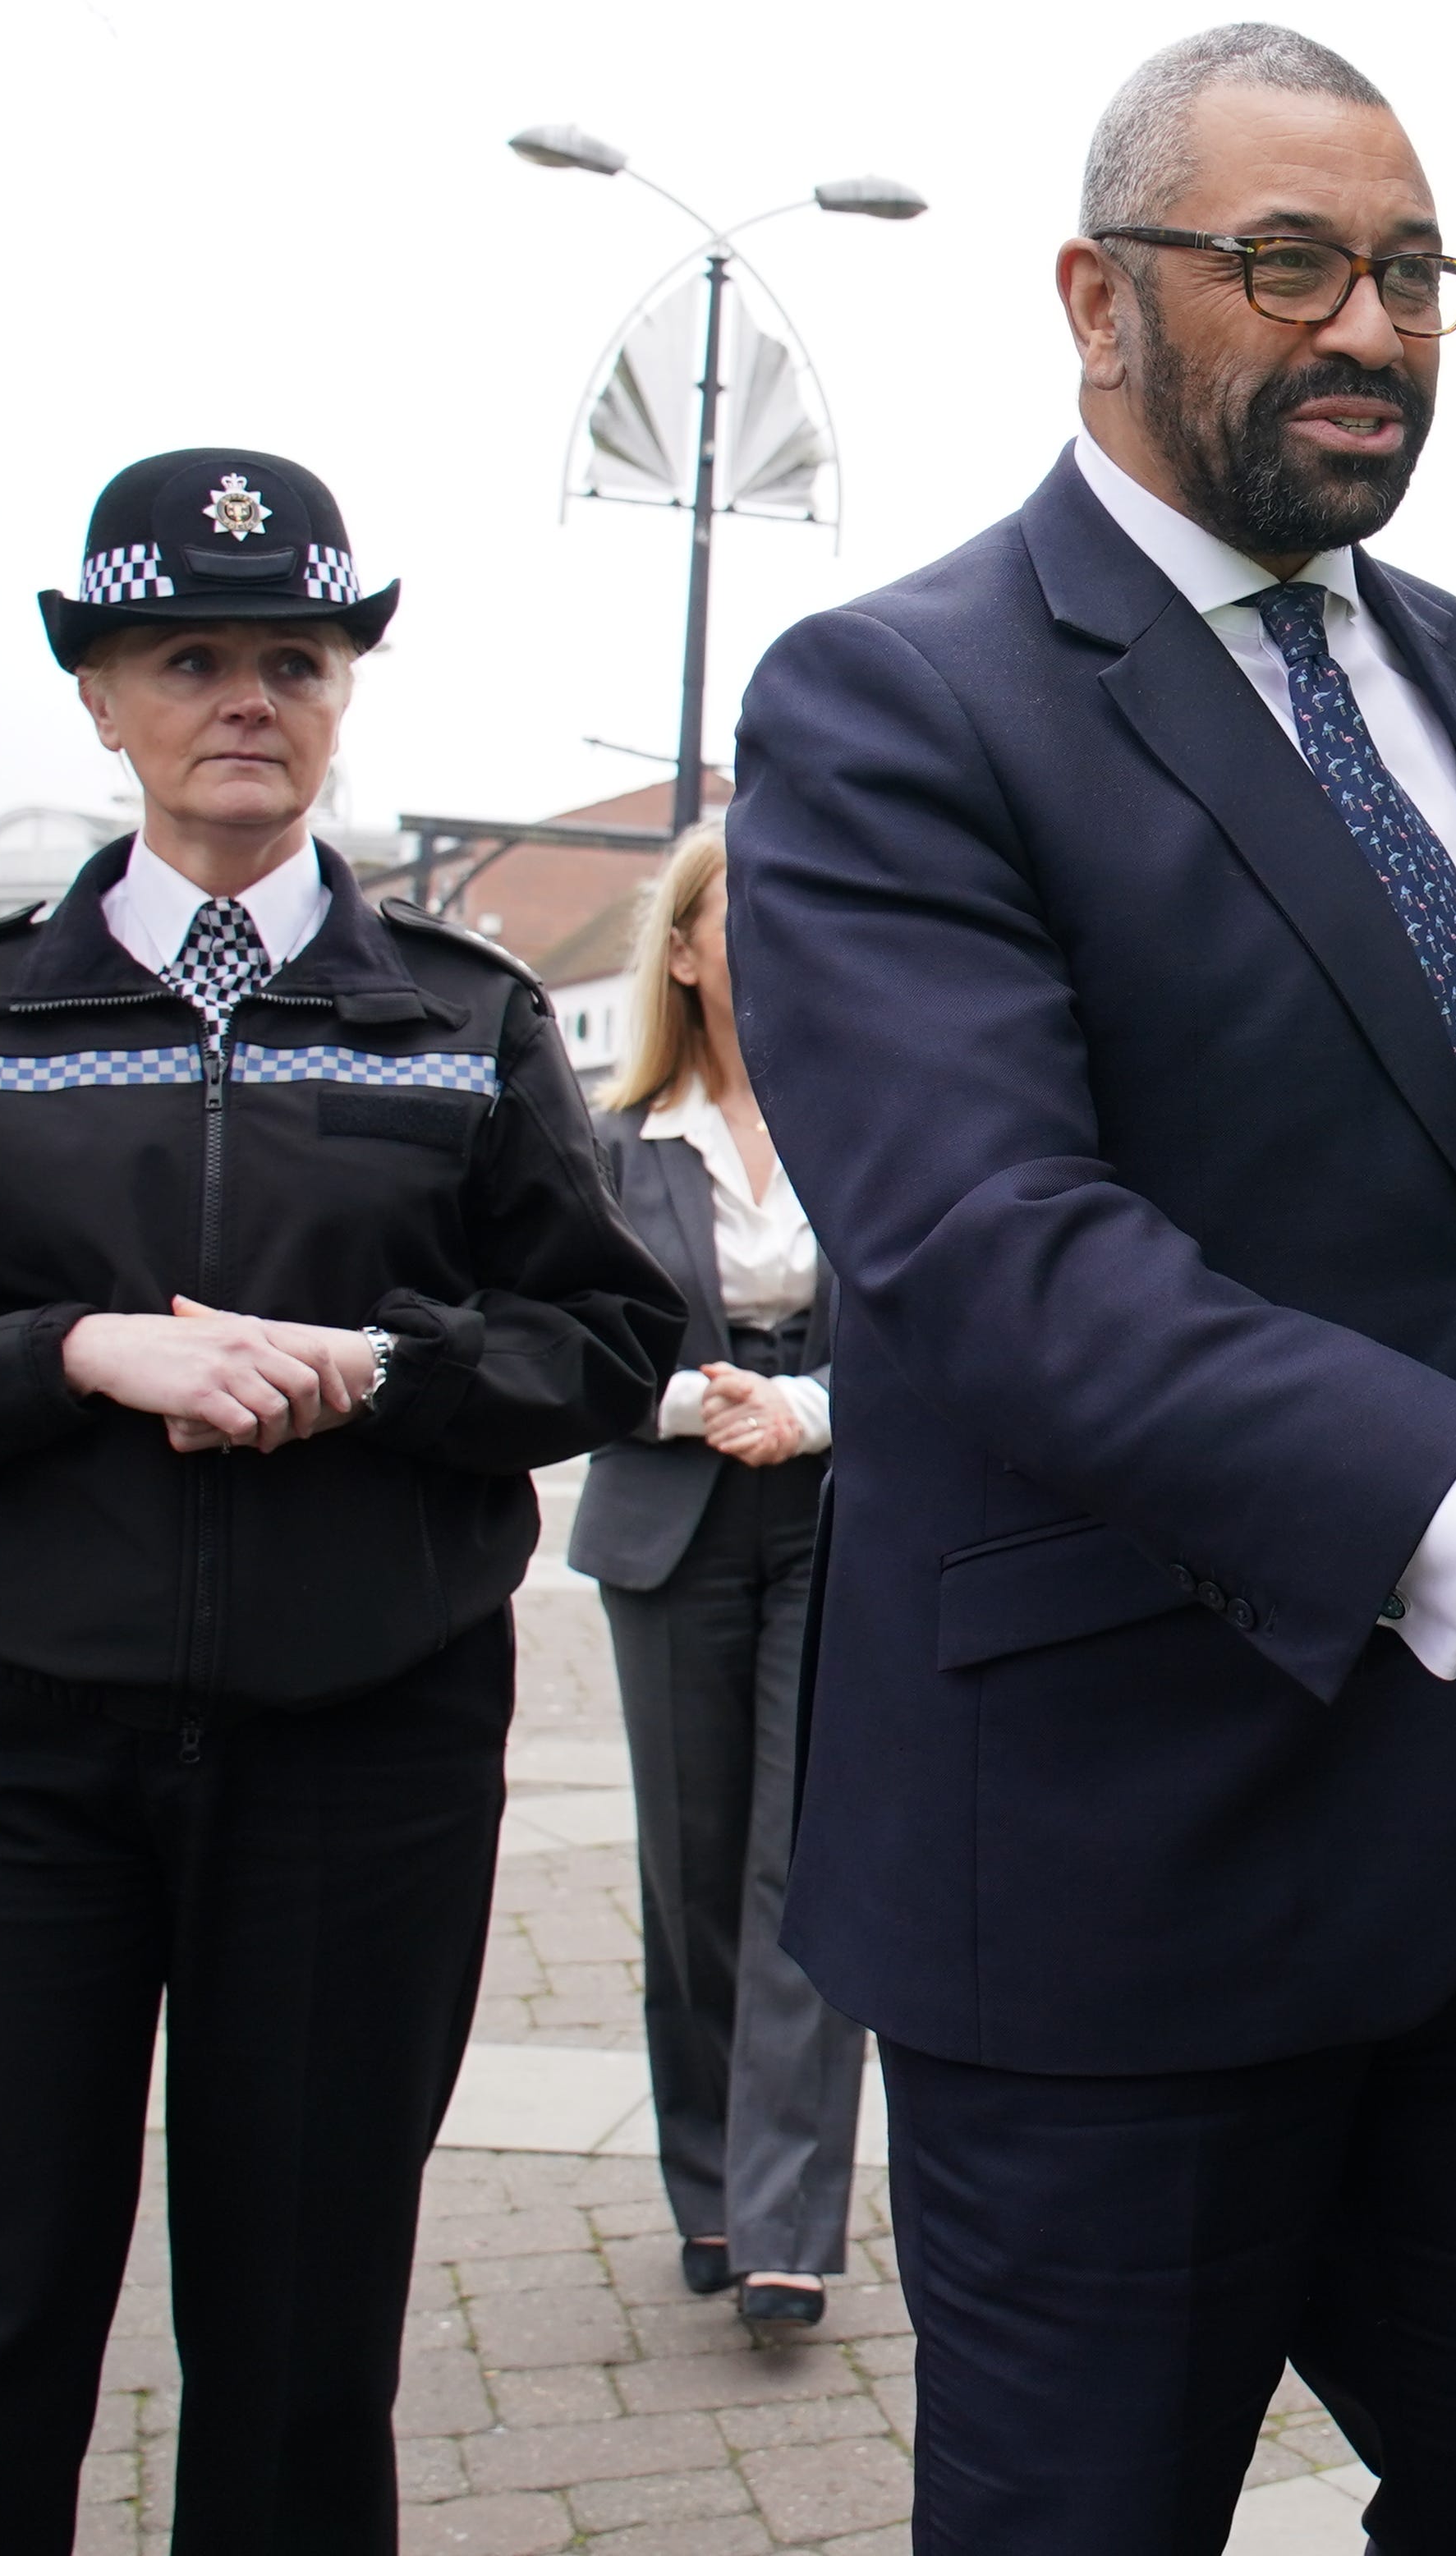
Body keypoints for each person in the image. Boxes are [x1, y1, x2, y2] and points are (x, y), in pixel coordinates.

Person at [726, 21, 1456, 2553]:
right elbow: (1001, 1265)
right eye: (1286, 265)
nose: (1369, 329)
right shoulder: (898, 704)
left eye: (1414, 273)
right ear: (1093, 300)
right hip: (1117, 1866)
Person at [0, 448, 676, 2554]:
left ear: (346, 690)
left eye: (294, 656)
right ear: (100, 697)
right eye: (189, 657)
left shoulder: (465, 1015)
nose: (245, 696)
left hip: (364, 1750)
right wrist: (70, 1347)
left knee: (302, 2326)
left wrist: (387, 1373)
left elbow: (604, 1337)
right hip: (6, 1754)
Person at [567, 822, 866, 2331]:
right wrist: (696, 1400)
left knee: (804, 1867)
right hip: (671, 1513)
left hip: (835, 1513)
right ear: (682, 948)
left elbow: (936, 1313)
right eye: (751, 908)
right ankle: (707, 2185)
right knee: (693, 1882)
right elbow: (558, 1335)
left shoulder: (875, 1114)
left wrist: (809, 1407)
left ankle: (785, 2221)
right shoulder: (612, 1142)